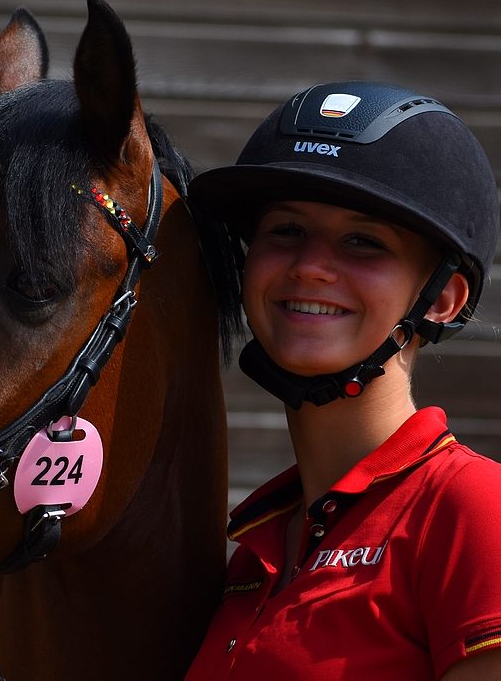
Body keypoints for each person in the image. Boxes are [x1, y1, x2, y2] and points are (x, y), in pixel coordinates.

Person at [184, 81, 501, 680]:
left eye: (363, 241)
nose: (309, 266)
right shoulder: (254, 551)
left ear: (443, 300)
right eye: (286, 231)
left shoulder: (476, 512)